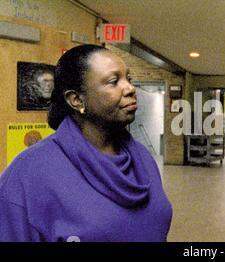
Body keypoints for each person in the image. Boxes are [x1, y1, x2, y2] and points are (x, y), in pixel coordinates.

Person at [0, 44, 172, 241]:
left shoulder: (141, 157)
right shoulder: (27, 173)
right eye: (113, 81)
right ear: (76, 100)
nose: (130, 88)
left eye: (129, 79)